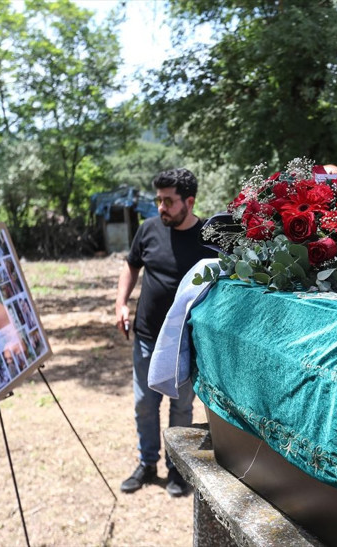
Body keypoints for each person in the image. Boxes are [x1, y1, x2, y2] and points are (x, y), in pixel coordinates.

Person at [115, 168, 217, 496]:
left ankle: (177, 469)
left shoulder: (210, 238)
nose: (161, 207)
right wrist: (120, 303)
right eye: (159, 200)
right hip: (146, 336)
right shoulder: (147, 230)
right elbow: (131, 266)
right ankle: (147, 464)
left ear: (190, 201)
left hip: (185, 343)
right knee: (145, 404)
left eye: (168, 201)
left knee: (181, 408)